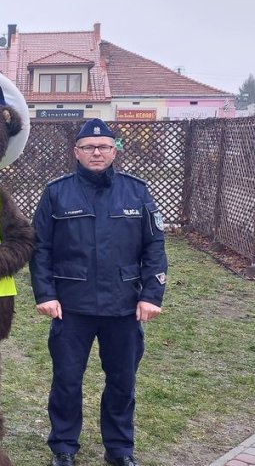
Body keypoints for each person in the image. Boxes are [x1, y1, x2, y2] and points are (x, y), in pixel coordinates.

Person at [30, 118, 168, 466]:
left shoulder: (136, 191)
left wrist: (151, 295)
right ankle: (63, 447)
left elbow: (154, 247)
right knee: (66, 381)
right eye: (89, 147)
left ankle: (120, 449)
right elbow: (39, 248)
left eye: (104, 146)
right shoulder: (56, 192)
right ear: (76, 152)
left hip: (123, 306)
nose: (97, 152)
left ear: (114, 150)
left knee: (122, 383)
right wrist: (45, 293)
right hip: (71, 307)